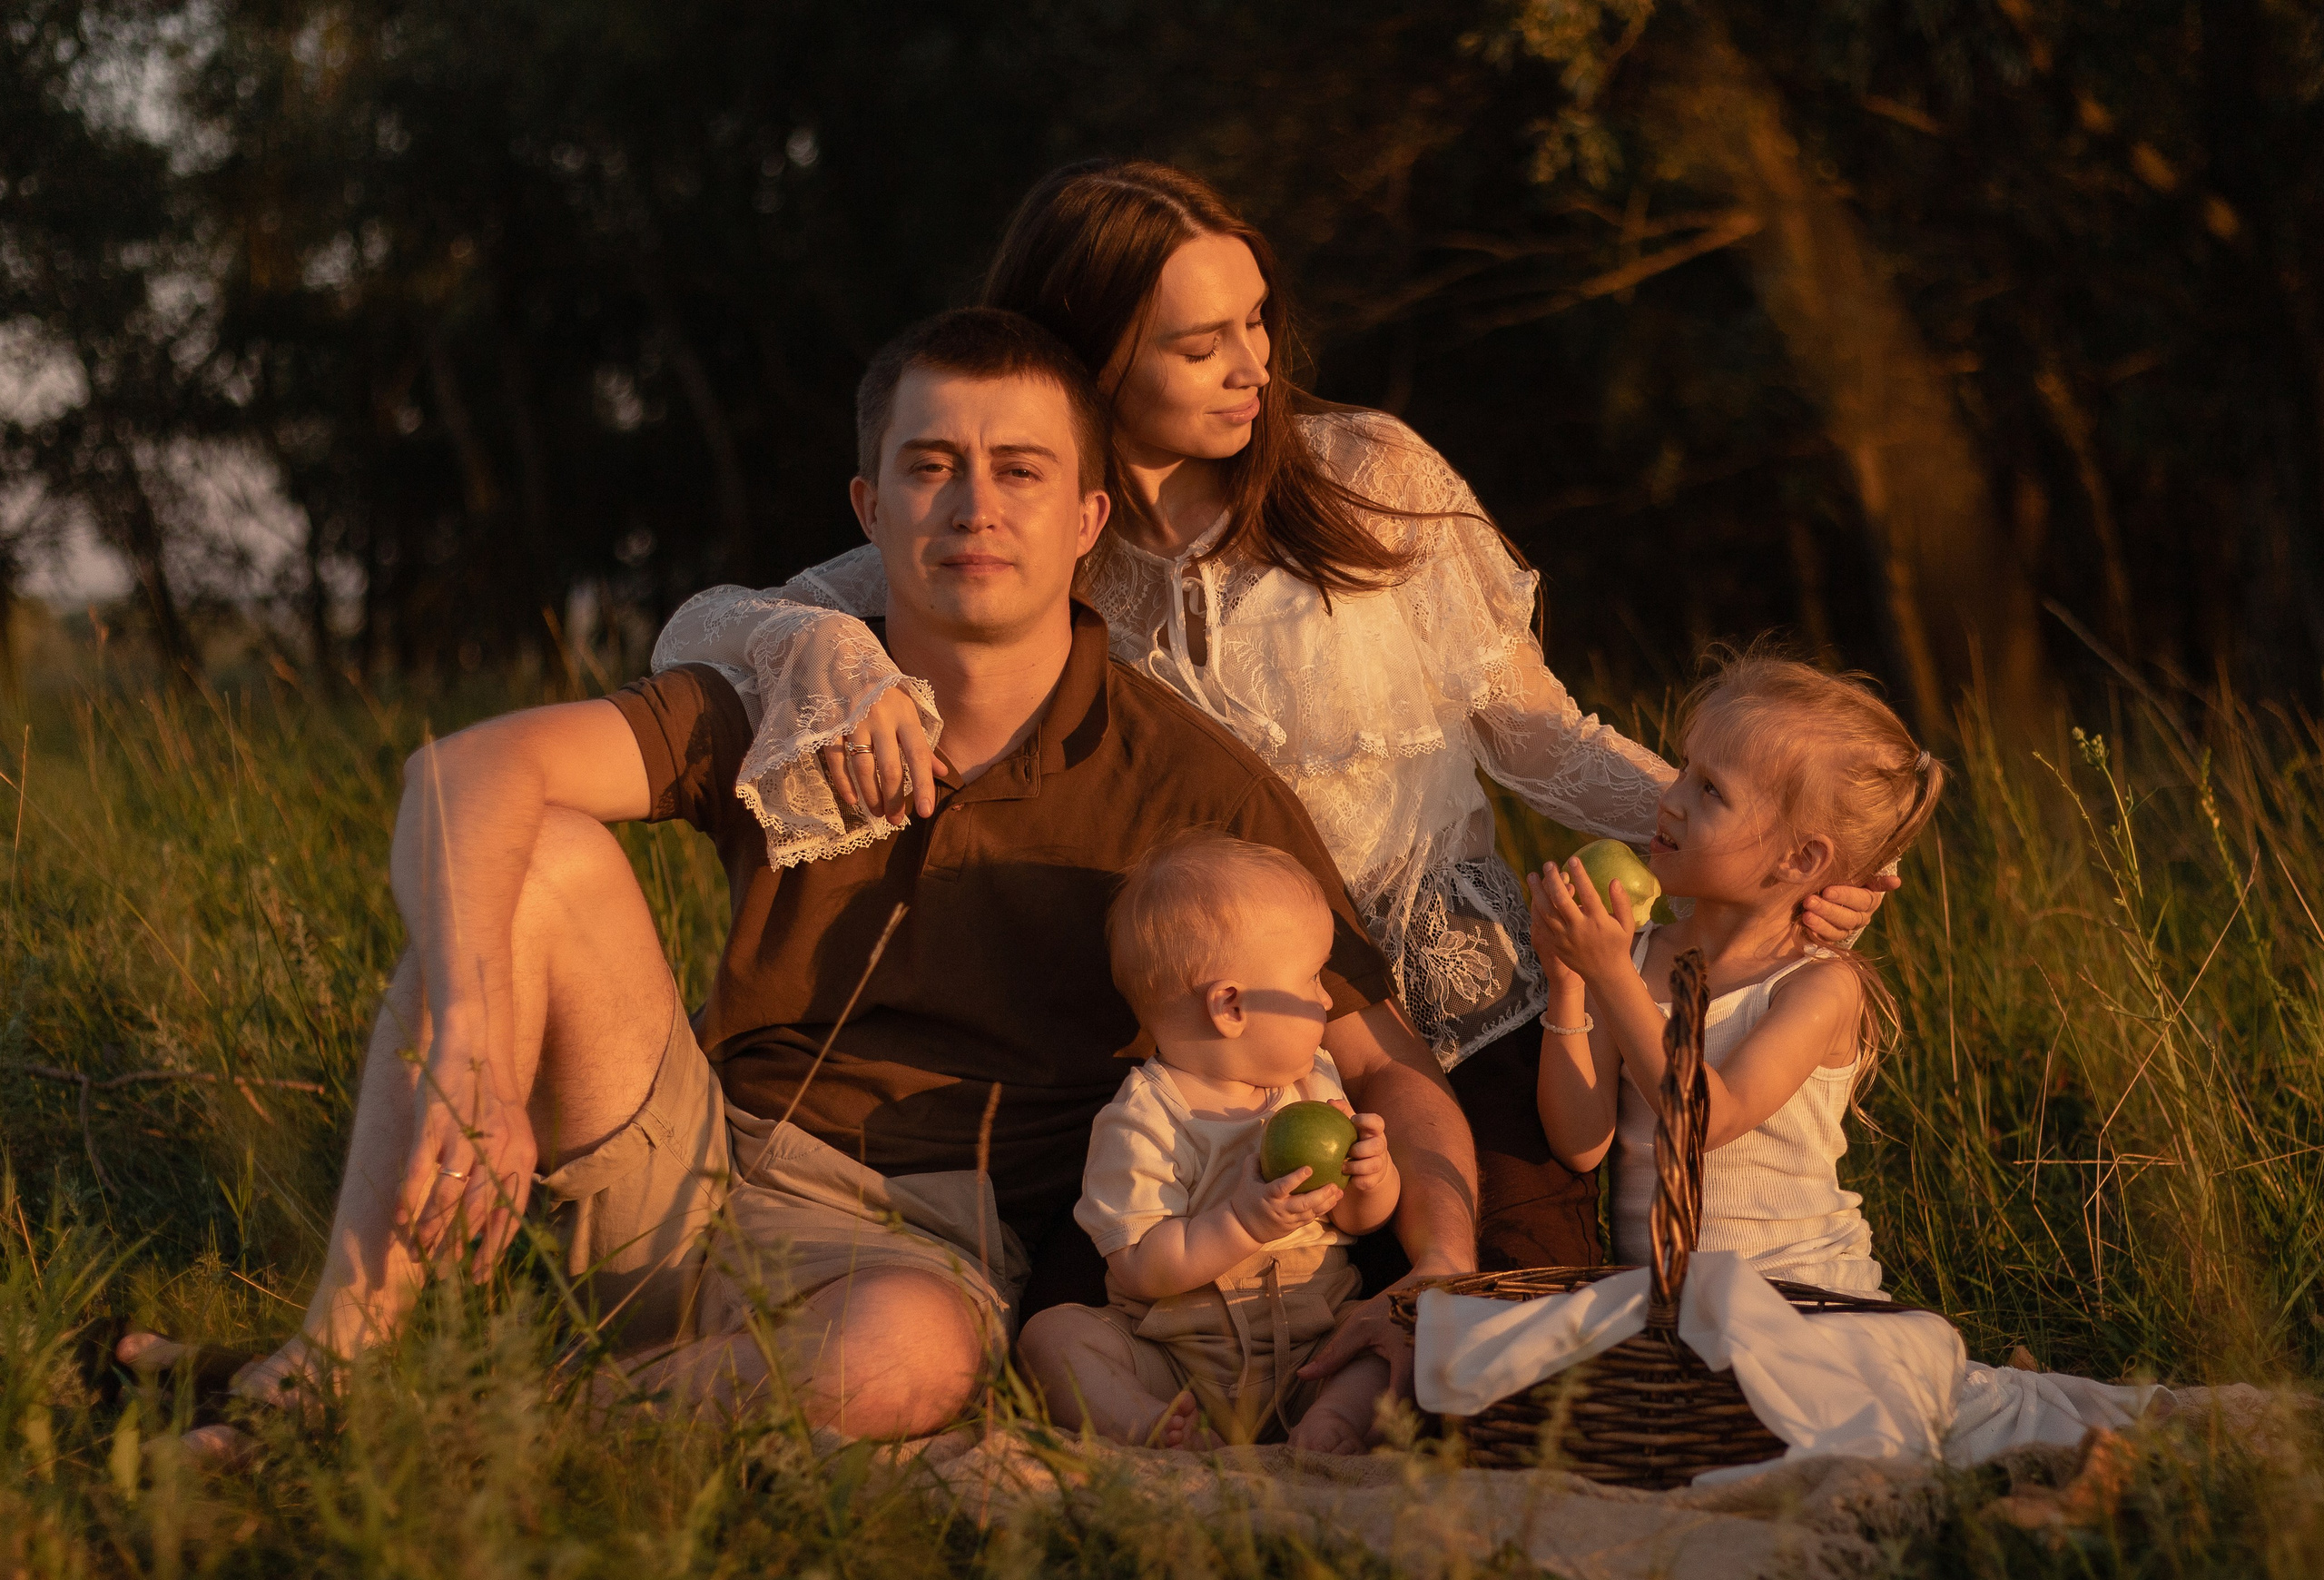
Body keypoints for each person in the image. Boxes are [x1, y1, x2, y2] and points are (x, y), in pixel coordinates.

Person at [121, 308, 1477, 1457]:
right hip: (692, 1164)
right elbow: (456, 776)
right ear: (869, 506)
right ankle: (328, 1368)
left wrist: (1437, 1281)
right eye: (932, 466)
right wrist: (478, 1042)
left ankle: (482, 1426)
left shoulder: (1191, 783)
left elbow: (1394, 1070)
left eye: (1018, 471)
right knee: (529, 847)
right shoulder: (797, 685)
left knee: (915, 1356)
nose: (973, 506)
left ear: (1087, 517)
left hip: (927, 1252)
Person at [652, 159, 1895, 1280]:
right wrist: (827, 650)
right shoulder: (1029, 525)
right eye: (1201, 344)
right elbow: (709, 627)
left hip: (1475, 1022)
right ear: (1092, 358)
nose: (1254, 365)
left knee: (1504, 1331)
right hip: (1222, 1056)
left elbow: (1541, 733)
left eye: (1256, 321)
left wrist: (1746, 844)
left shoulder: (1370, 472)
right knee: (1191, 1331)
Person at [1527, 654, 1944, 1293]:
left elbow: (1706, 1122)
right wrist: (1569, 981)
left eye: (1710, 790)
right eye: (1685, 770)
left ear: (1799, 858)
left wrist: (1607, 975)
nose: (1672, 800)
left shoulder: (1817, 986)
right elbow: (1581, 1143)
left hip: (1797, 1291)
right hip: (1662, 1300)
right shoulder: (1634, 956)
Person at [1017, 832, 1401, 1454]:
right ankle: (1150, 1424)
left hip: (1315, 1351)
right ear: (1229, 1007)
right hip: (1177, 1366)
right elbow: (1141, 1267)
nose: (1329, 1000)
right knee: (1054, 1337)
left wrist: (1371, 1177)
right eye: (1311, 981)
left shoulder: (1312, 1084)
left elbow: (1358, 1220)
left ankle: (1332, 1422)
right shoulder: (1144, 1120)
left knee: (1391, 1338)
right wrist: (1243, 1222)